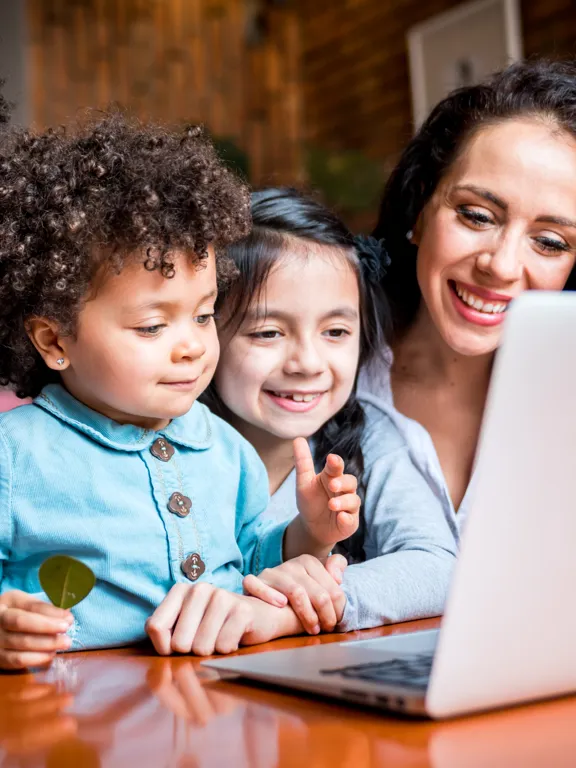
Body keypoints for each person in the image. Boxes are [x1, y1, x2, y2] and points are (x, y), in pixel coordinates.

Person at [0, 114, 361, 670]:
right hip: (74, 721)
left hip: (212, 705)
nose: (192, 346)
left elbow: (249, 562)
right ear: (54, 340)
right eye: (152, 327)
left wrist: (306, 534)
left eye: (203, 315)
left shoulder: (222, 446)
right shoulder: (15, 454)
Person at [202, 188, 457, 633]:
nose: (308, 363)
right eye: (267, 333)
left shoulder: (371, 436)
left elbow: (437, 566)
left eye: (335, 331)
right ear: (205, 331)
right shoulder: (171, 446)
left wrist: (292, 609)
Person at [362, 58, 576, 533]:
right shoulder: (315, 371)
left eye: (550, 242)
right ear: (419, 207)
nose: (499, 265)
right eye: (477, 215)